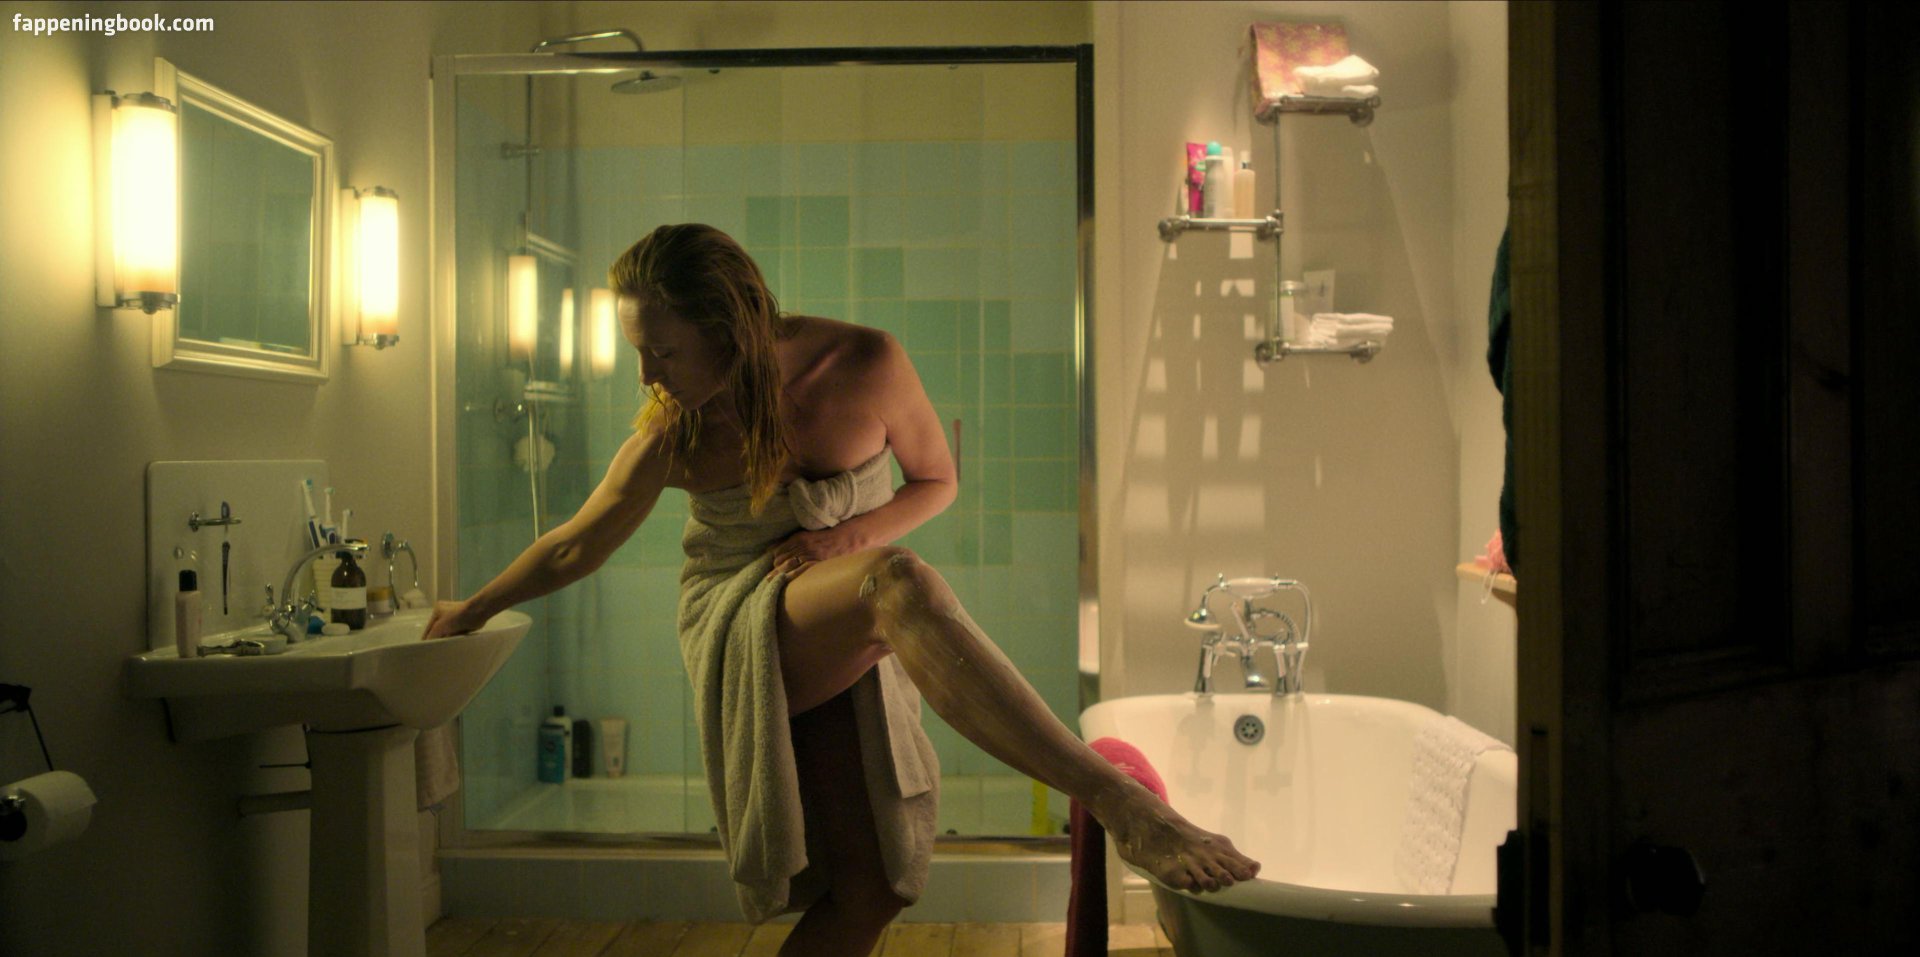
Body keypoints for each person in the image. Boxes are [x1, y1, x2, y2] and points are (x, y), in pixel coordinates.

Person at [425, 224, 1258, 954]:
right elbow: (576, 542)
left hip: (840, 599)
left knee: (873, 889)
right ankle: (1120, 803)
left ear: (727, 326)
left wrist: (845, 537)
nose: (645, 373)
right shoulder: (675, 433)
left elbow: (936, 479)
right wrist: (472, 609)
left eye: (663, 351)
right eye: (639, 349)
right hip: (740, 618)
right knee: (899, 583)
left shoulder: (863, 363)